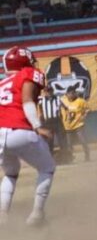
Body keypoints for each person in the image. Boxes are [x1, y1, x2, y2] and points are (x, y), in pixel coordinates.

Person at [0, 46, 55, 227]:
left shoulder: (2, 83)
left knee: (10, 173)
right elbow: (27, 100)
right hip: (19, 129)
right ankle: (37, 215)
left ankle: (2, 215)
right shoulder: (28, 73)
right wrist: (38, 127)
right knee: (47, 168)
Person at [60, 87, 90, 162]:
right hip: (67, 126)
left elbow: (87, 109)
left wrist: (84, 116)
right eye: (70, 93)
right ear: (66, 94)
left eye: (73, 93)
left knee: (83, 140)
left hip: (78, 124)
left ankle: (87, 155)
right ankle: (70, 158)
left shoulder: (80, 101)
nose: (72, 95)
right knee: (69, 144)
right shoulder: (63, 100)